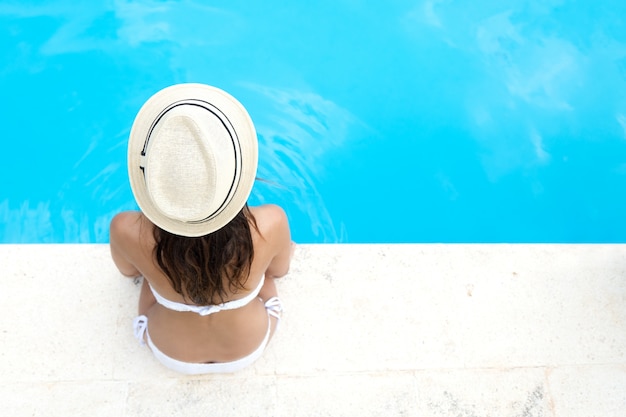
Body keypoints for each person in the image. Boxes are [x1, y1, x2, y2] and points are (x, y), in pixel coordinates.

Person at [109, 83, 293, 374]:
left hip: (169, 349)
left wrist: (163, 270)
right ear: (239, 173)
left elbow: (128, 272)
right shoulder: (270, 223)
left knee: (147, 279)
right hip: (247, 346)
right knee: (266, 281)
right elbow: (280, 271)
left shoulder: (127, 230)